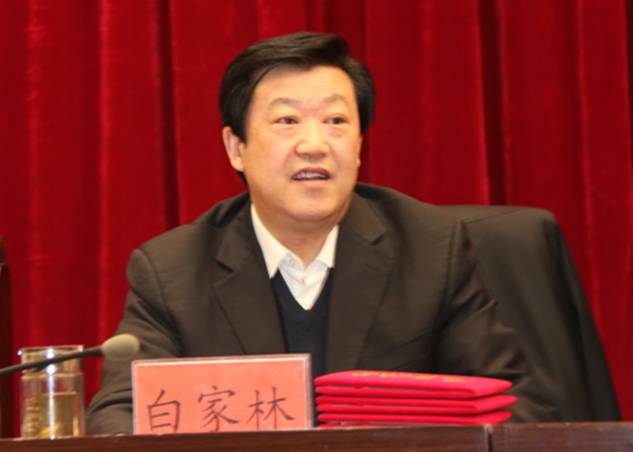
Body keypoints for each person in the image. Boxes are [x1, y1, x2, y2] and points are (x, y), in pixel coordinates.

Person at [87, 32, 557, 433]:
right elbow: (119, 417)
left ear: (359, 145)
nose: (314, 145)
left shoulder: (432, 249)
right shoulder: (173, 271)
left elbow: (515, 405)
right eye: (286, 121)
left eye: (336, 121)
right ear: (236, 147)